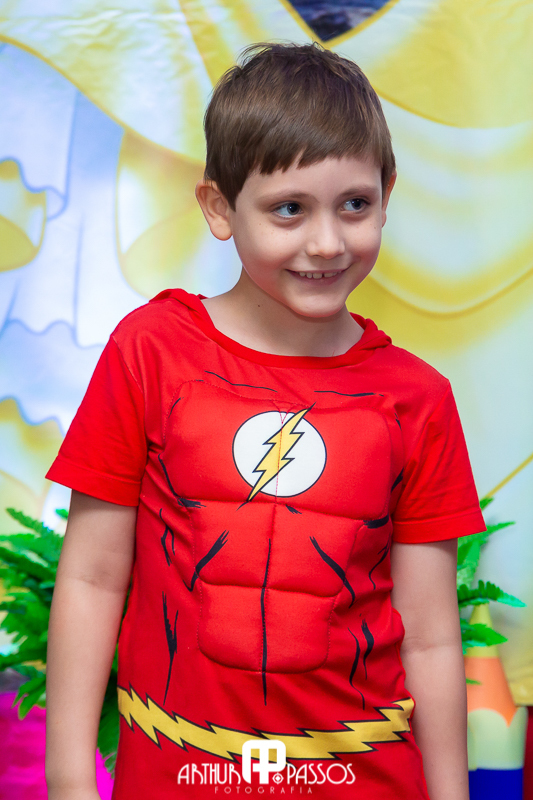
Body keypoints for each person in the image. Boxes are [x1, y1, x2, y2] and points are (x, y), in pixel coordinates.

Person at [45, 42, 484, 800]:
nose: (327, 242)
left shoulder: (418, 397)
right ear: (219, 208)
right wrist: (68, 776)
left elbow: (432, 635)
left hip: (363, 777)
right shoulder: (149, 352)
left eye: (355, 205)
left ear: (387, 195)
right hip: (179, 775)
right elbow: (91, 576)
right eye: (289, 209)